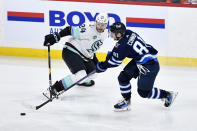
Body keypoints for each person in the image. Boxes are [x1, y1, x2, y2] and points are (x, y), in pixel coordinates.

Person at [96, 22, 178, 111]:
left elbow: (115, 62)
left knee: (143, 93)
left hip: (149, 65)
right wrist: (112, 54)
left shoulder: (122, 46)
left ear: (119, 34)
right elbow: (120, 48)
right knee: (123, 78)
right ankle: (126, 101)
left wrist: (102, 66)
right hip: (140, 59)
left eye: (113, 33)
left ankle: (167, 95)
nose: (111, 35)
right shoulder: (129, 32)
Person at [43, 13, 108, 98]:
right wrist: (57, 36)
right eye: (98, 24)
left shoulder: (105, 34)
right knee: (81, 75)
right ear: (96, 22)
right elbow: (70, 30)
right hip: (71, 51)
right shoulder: (88, 29)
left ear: (106, 25)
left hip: (84, 55)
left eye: (102, 25)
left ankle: (82, 81)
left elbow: (92, 48)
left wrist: (96, 62)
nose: (100, 27)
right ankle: (54, 89)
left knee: (93, 73)